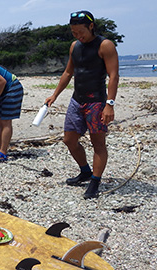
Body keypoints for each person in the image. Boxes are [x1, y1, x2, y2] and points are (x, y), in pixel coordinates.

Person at [44, 11, 119, 199]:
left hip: (97, 102)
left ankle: (95, 181)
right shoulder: (74, 46)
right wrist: (54, 95)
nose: (78, 36)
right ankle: (85, 171)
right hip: (77, 100)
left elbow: (113, 76)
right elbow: (68, 73)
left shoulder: (105, 45)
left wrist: (109, 104)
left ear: (91, 26)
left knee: (98, 143)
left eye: (80, 32)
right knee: (69, 140)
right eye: (74, 33)